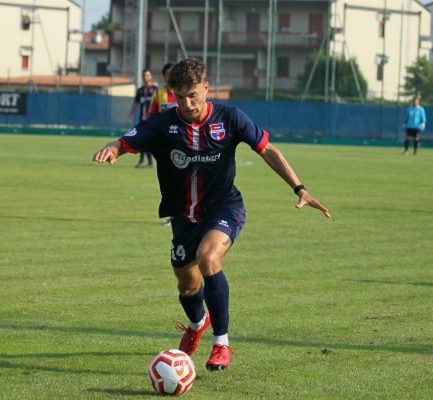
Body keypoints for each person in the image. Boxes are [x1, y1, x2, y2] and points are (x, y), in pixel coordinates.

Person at [92, 58, 330, 371]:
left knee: (208, 258)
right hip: (183, 216)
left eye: (193, 94)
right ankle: (197, 322)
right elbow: (125, 141)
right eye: (180, 97)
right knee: (187, 286)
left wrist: (300, 188)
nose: (187, 103)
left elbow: (268, 150)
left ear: (206, 87)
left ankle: (222, 343)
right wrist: (113, 149)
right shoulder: (164, 122)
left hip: (224, 207)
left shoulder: (230, 117)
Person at [148, 62, 176, 226]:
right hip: (165, 143)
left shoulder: (184, 92)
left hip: (182, 141)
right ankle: (173, 216)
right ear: (165, 76)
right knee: (168, 181)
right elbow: (152, 114)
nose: (170, 76)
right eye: (168, 74)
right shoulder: (159, 92)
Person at [128, 69, 157, 168]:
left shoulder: (155, 90)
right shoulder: (140, 90)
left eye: (147, 75)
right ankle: (147, 162)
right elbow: (135, 104)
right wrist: (131, 114)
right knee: (143, 139)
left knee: (147, 140)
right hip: (142, 119)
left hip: (152, 119)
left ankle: (145, 161)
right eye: (144, 75)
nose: (145, 77)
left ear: (151, 76)